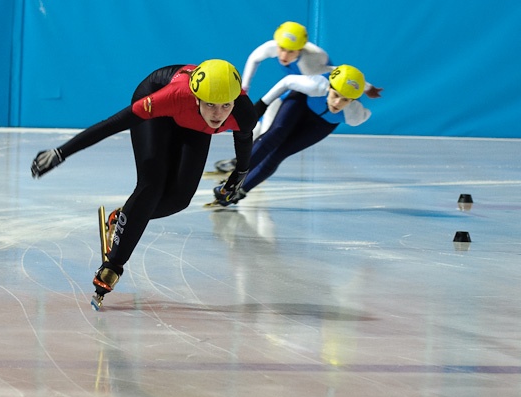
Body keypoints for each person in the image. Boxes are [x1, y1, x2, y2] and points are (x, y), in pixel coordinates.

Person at [31, 59, 257, 307]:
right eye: (211, 105)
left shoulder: (243, 112)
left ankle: (122, 219)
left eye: (226, 106)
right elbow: (112, 124)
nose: (218, 114)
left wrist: (238, 178)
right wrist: (62, 152)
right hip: (158, 96)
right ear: (197, 98)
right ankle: (112, 266)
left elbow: (244, 144)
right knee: (152, 184)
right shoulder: (170, 97)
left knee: (179, 200)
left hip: (193, 122)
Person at [215, 21, 381, 172]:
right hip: (295, 86)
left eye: (291, 52)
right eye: (282, 48)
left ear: (301, 49)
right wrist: (244, 90)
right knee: (262, 127)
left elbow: (342, 72)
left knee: (270, 133)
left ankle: (246, 165)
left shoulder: (311, 62)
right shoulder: (273, 46)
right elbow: (254, 59)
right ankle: (243, 161)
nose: (284, 56)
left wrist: (367, 87)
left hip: (311, 93)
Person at [209, 64, 371, 206]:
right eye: (336, 95)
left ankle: (241, 191)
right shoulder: (316, 85)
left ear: (352, 102)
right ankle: (231, 183)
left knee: (279, 153)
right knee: (274, 135)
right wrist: (263, 104)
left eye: (345, 100)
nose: (337, 103)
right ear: (329, 87)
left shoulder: (355, 115)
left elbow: (366, 113)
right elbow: (286, 82)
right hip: (301, 102)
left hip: (323, 123)